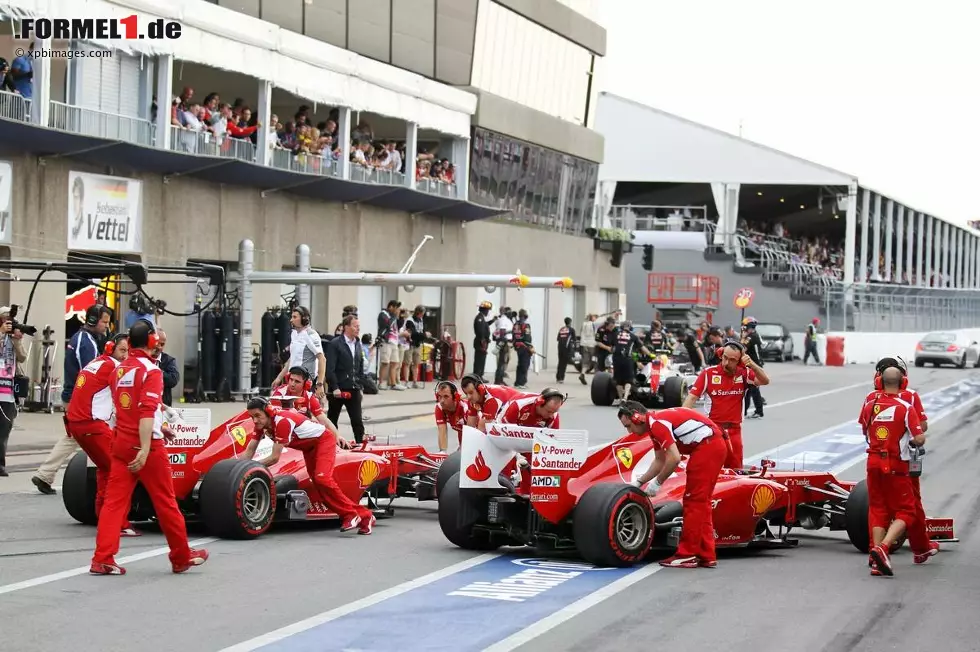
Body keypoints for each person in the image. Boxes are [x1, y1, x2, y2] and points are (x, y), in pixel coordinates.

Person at [90, 320, 209, 575]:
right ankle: (181, 556)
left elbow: (127, 409)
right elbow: (145, 412)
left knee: (114, 503)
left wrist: (157, 427)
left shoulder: (119, 370)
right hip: (147, 447)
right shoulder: (152, 372)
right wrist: (145, 447)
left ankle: (102, 558)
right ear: (153, 342)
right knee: (166, 501)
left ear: (129, 342)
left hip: (121, 441)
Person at [620, 401, 728, 569]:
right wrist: (640, 482)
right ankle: (706, 554)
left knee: (694, 502)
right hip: (711, 445)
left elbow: (674, 458)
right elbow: (659, 461)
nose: (629, 431)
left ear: (636, 418)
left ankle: (687, 555)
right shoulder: (654, 424)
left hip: (708, 447)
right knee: (701, 503)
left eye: (628, 426)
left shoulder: (657, 425)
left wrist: (657, 483)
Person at [243, 397, 374, 534]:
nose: (255, 420)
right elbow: (250, 451)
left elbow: (274, 458)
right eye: (252, 417)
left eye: (258, 415)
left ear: (268, 411)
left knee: (322, 479)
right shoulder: (261, 425)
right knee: (318, 487)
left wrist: (248, 468)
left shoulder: (282, 422)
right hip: (309, 448)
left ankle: (351, 514)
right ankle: (365, 516)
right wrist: (237, 467)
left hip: (324, 440)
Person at [859, 356, 939, 568]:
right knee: (911, 506)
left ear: (878, 378)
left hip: (873, 459)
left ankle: (874, 555)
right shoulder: (909, 398)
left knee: (877, 508)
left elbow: (864, 429)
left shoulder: (870, 398)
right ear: (903, 378)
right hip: (902, 461)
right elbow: (921, 428)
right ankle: (919, 548)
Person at [65, 334, 140, 537]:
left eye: (128, 351)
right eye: (122, 350)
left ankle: (102, 516)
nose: (126, 356)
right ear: (110, 348)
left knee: (105, 469)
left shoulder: (97, 363)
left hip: (77, 424)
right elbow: (131, 398)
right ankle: (119, 523)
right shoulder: (115, 368)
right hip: (92, 425)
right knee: (123, 471)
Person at [33, 304, 111, 494]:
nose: (106, 327)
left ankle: (45, 474)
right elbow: (94, 374)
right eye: (104, 322)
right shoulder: (88, 344)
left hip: (73, 395)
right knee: (79, 435)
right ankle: (45, 474)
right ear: (93, 320)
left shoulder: (80, 338)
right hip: (79, 398)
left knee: (72, 436)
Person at [682, 340, 770, 469]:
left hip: (735, 431)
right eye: (725, 358)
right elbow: (691, 399)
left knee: (736, 471)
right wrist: (681, 421)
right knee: (710, 469)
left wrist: (752, 365)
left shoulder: (744, 372)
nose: (726, 363)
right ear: (721, 354)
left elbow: (765, 381)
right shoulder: (708, 374)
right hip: (713, 431)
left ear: (740, 360)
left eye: (732, 360)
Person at [325, 315, 366, 444]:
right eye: (355, 326)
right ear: (346, 327)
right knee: (332, 418)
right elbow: (329, 368)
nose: (357, 329)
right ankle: (332, 444)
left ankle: (360, 444)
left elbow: (359, 367)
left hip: (353, 388)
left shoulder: (358, 343)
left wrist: (360, 386)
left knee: (357, 420)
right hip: (338, 389)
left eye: (358, 326)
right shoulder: (335, 344)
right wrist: (335, 387)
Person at [272, 306, 326, 398]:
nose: (291, 320)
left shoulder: (311, 335)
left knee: (307, 411)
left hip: (306, 383)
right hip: (293, 381)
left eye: (294, 317)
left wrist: (319, 384)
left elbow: (322, 359)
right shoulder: (294, 334)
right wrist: (279, 377)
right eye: (291, 317)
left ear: (304, 319)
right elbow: (292, 359)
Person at [0, 309, 29, 477]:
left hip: (8, 391)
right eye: (5, 320)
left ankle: (0, 464)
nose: (8, 324)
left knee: (4, 429)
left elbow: (23, 357)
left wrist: (16, 340)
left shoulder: (12, 338)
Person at [459, 373, 529, 431]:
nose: (468, 397)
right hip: (509, 412)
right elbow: (470, 427)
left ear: (480, 388)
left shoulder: (491, 399)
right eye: (466, 393)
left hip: (523, 409)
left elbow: (482, 427)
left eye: (471, 393)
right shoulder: (472, 399)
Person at [611, 321, 651, 403]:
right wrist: (651, 355)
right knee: (628, 380)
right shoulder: (634, 337)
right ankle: (625, 398)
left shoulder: (615, 335)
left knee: (618, 380)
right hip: (627, 359)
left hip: (616, 359)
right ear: (630, 328)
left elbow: (612, 348)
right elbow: (643, 348)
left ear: (621, 327)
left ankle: (620, 397)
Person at [434, 381, 474, 452]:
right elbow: (442, 431)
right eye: (439, 396)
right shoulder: (440, 407)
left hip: (478, 437)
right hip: (463, 438)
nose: (442, 401)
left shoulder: (465, 409)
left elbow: (471, 435)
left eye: (446, 396)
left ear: (455, 397)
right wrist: (442, 453)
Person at [497, 388, 564, 429]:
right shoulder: (518, 405)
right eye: (548, 412)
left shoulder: (553, 414)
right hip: (506, 434)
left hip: (532, 442)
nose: (551, 416)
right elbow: (504, 432)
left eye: (554, 412)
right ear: (539, 403)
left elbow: (553, 440)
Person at [377, 299, 405, 391]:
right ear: (391, 307)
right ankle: (381, 383)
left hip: (394, 341)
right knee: (385, 362)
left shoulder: (394, 316)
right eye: (396, 308)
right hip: (386, 341)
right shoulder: (383, 314)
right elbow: (387, 324)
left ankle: (393, 384)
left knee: (395, 363)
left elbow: (399, 325)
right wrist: (394, 315)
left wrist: (401, 316)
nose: (397, 310)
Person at [740, 317, 765, 419]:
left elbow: (742, 348)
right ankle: (744, 411)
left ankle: (759, 411)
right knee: (748, 389)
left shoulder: (751, 337)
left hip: (754, 365)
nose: (744, 329)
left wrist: (742, 338)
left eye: (745, 327)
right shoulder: (755, 335)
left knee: (753, 389)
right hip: (753, 364)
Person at [153, 328, 180, 406]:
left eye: (162, 344)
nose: (159, 347)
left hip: (164, 406)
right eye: (157, 343)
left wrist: (155, 372)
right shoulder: (143, 359)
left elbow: (173, 380)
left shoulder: (169, 360)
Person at [472, 301, 495, 379]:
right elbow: (480, 331)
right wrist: (483, 341)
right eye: (487, 310)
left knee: (482, 359)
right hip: (480, 342)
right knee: (480, 360)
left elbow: (485, 325)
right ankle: (478, 376)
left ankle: (479, 375)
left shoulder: (481, 318)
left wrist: (493, 320)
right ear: (484, 310)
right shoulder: (479, 318)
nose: (488, 312)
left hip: (482, 342)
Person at [512, 309, 533, 389]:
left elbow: (513, 335)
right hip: (525, 347)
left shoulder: (515, 324)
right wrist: (530, 347)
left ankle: (517, 382)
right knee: (525, 365)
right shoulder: (526, 325)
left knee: (520, 364)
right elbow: (527, 338)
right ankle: (521, 383)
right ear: (525, 316)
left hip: (518, 346)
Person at [555, 317, 576, 385]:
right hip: (566, 348)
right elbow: (574, 339)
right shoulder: (571, 330)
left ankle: (558, 377)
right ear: (570, 322)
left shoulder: (561, 329)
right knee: (564, 363)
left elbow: (558, 339)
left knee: (560, 362)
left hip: (560, 347)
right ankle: (561, 378)